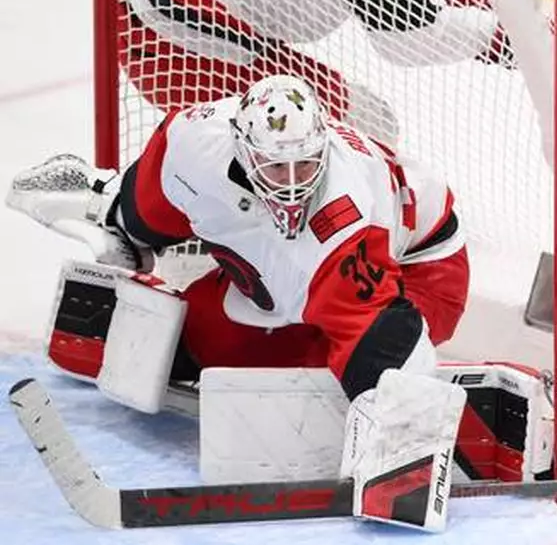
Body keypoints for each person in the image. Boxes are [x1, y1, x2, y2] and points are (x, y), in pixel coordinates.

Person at [7, 74, 471, 529]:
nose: (292, 184)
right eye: (276, 168)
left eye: (305, 166)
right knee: (189, 347)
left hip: (422, 270)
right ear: (243, 151)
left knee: (333, 360)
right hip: (293, 267)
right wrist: (118, 224)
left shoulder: (346, 222)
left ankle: (437, 419)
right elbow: (147, 212)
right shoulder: (194, 144)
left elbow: (384, 338)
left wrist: (403, 457)